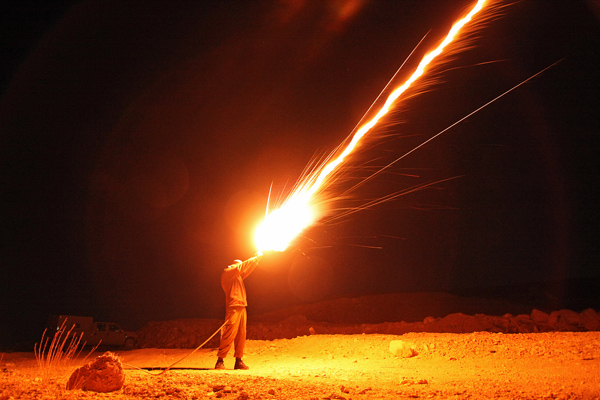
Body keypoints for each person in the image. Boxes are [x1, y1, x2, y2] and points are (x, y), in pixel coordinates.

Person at [215, 250, 263, 370]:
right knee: (229, 333)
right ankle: (220, 360)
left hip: (242, 307)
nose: (240, 268)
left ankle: (238, 361)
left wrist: (257, 260)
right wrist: (254, 258)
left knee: (241, 334)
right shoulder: (228, 273)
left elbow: (246, 269)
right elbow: (243, 267)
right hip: (233, 307)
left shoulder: (237, 277)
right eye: (239, 265)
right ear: (234, 265)